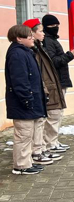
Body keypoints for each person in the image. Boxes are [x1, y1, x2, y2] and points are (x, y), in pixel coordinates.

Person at [5, 25, 47, 175]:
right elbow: (20, 81)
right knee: (23, 135)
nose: (32, 38)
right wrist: (27, 100)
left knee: (28, 134)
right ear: (18, 38)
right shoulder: (17, 54)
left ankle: (26, 161)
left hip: (30, 101)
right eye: (29, 36)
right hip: (22, 103)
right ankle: (21, 166)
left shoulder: (25, 52)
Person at [23, 19, 65, 166]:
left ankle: (41, 149)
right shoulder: (29, 51)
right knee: (39, 123)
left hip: (44, 88)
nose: (43, 34)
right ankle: (37, 151)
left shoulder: (38, 47)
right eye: (40, 31)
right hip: (39, 90)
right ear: (31, 33)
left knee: (42, 121)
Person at [42, 14, 74, 153]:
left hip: (59, 82)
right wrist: (70, 55)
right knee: (54, 114)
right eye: (52, 26)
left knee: (58, 114)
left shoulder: (52, 40)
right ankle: (50, 143)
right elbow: (54, 61)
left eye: (57, 25)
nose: (55, 28)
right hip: (54, 83)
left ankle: (54, 141)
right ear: (45, 27)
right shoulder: (48, 41)